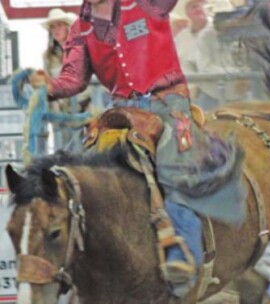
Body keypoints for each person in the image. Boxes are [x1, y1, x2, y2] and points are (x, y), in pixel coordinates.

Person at [21, 0, 246, 299]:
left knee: (173, 168)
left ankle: (182, 257)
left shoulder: (148, 5)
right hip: (121, 111)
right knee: (71, 169)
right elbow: (73, 79)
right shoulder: (81, 29)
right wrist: (45, 87)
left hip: (168, 104)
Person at [171, 0, 249, 110]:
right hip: (203, 93)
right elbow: (181, 63)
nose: (199, 9)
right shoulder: (183, 37)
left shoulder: (232, 33)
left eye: (202, 5)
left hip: (235, 92)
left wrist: (242, 76)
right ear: (187, 12)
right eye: (193, 6)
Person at [42, 8, 93, 151]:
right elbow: (48, 83)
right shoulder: (48, 57)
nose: (56, 29)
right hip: (64, 110)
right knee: (67, 148)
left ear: (67, 27)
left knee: (91, 146)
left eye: (59, 25)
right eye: (53, 27)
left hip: (86, 105)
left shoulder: (81, 48)